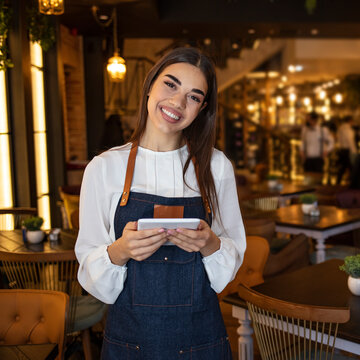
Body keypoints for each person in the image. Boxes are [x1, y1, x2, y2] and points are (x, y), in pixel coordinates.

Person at [75, 47, 246, 359]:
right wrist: (121, 251)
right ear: (150, 84)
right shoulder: (104, 168)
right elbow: (89, 268)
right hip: (130, 343)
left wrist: (209, 243)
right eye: (171, 84)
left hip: (202, 341)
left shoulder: (216, 166)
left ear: (202, 108)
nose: (178, 102)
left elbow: (229, 266)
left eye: (194, 96)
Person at [336, 115, 357, 184]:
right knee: (351, 168)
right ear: (350, 121)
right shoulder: (348, 129)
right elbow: (350, 141)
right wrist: (354, 151)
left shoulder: (340, 128)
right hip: (347, 151)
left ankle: (338, 182)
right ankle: (353, 183)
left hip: (341, 150)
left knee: (343, 167)